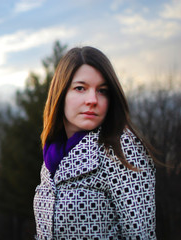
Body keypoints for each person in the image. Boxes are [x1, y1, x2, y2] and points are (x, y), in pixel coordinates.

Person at [33, 46, 156, 239]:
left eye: (102, 90)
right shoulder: (51, 157)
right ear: (61, 93)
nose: (92, 100)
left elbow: (141, 235)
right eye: (80, 88)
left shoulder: (121, 148)